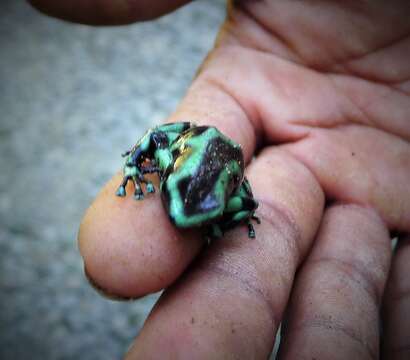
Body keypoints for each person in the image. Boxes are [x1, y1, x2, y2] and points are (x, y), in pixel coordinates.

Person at [29, 1, 410, 358]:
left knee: (244, 205)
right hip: (195, 143)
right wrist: (135, 166)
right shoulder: (170, 163)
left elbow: (248, 202)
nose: (180, 217)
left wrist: (221, 222)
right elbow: (156, 138)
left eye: (205, 212)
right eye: (174, 197)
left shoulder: (234, 198)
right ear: (171, 176)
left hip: (225, 162)